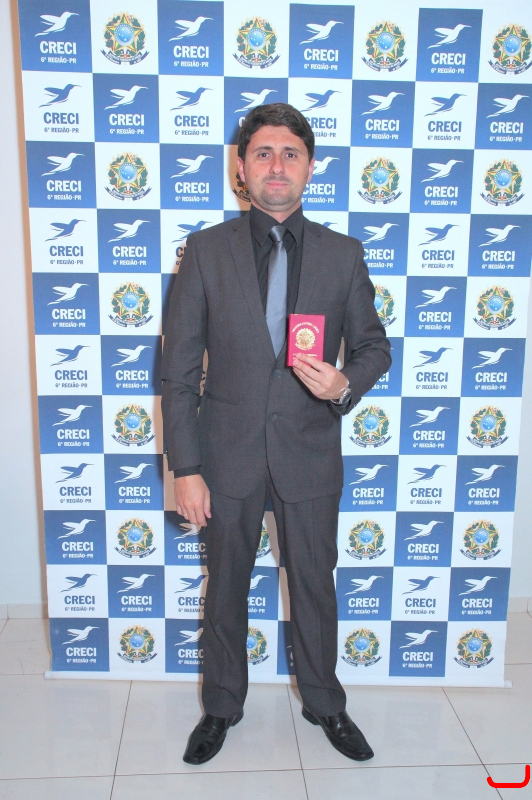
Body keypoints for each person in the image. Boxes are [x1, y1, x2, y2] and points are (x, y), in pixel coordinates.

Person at [161, 103, 391, 765]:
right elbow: (178, 372)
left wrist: (342, 384)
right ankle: (221, 706)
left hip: (309, 454)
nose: (277, 165)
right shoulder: (206, 251)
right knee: (226, 588)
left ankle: (325, 703)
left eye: (291, 153)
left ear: (310, 167)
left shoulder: (343, 255)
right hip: (224, 454)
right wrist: (186, 467)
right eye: (262, 152)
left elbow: (375, 348)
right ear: (242, 167)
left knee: (315, 586)